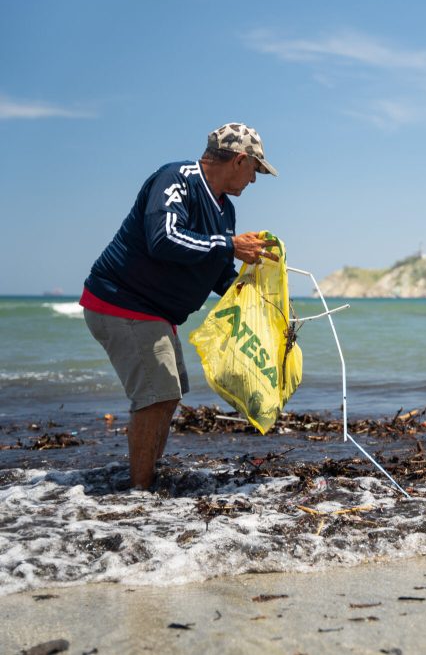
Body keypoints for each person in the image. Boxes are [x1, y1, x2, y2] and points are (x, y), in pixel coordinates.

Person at [81, 123, 279, 489]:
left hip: (156, 313)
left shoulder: (225, 212)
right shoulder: (176, 179)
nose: (254, 180)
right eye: (255, 170)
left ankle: (145, 477)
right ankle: (140, 493)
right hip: (121, 301)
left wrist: (257, 296)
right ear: (239, 160)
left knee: (168, 397)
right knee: (156, 396)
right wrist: (229, 245)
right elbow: (164, 239)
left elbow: (217, 275)